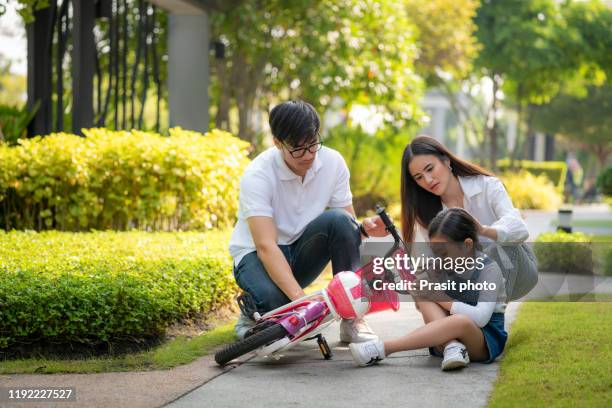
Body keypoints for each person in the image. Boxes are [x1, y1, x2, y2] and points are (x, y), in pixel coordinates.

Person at [229, 100, 384, 341]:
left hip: (300, 251)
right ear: (278, 143)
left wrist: (363, 228)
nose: (308, 155)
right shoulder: (258, 175)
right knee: (278, 309)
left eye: (313, 145)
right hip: (256, 256)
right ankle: (253, 311)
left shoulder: (332, 163)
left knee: (341, 220)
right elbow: (265, 246)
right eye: (298, 149)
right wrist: (303, 304)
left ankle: (353, 319)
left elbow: (346, 226)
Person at [350, 208, 508, 371]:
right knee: (424, 292)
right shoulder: (443, 265)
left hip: (482, 343)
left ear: (467, 245)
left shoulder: (489, 270)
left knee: (461, 320)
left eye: (444, 253)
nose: (439, 258)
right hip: (448, 336)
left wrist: (440, 297)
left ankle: (383, 348)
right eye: (436, 253)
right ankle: (452, 347)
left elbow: (481, 318)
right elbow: (425, 301)